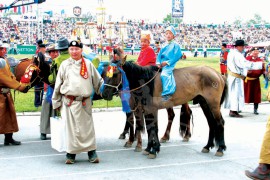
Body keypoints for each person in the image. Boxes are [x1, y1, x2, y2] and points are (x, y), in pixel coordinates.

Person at [52, 40, 104, 164]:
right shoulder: (64, 65)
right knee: (71, 130)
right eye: (71, 49)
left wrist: (106, 90)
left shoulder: (88, 64)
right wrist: (56, 102)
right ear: (69, 50)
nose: (74, 52)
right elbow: (58, 85)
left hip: (84, 102)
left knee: (87, 129)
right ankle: (70, 154)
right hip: (69, 102)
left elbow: (98, 81)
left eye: (76, 49)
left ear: (81, 50)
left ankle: (92, 152)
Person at [224, 40, 264, 118]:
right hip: (236, 78)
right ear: (238, 46)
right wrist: (260, 64)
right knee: (236, 95)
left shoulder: (231, 53)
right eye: (242, 46)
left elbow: (238, 65)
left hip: (233, 76)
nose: (243, 48)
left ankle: (233, 110)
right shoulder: (238, 55)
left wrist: (245, 70)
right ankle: (233, 111)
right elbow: (244, 64)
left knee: (233, 94)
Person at [0, 41, 27, 145]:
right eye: (1, 49)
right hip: (1, 93)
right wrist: (19, 86)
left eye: (4, 49)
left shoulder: (4, 60)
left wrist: (16, 81)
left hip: (6, 93)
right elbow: (4, 78)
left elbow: (10, 75)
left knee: (10, 116)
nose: (4, 51)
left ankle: (8, 138)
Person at [156, 26, 182, 102]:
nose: (168, 35)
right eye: (166, 33)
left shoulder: (176, 45)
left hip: (169, 64)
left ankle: (167, 94)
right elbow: (159, 55)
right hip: (161, 64)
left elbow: (177, 55)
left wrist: (167, 62)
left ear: (173, 35)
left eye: (170, 33)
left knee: (164, 75)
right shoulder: (164, 45)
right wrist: (158, 63)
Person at [40, 44, 59, 140]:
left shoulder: (61, 62)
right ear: (50, 53)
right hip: (49, 89)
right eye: (53, 52)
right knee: (46, 109)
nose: (55, 54)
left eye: (56, 52)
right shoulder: (47, 63)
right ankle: (43, 131)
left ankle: (57, 130)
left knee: (58, 111)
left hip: (59, 88)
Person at [244, 47, 265, 115]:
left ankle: (255, 109)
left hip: (256, 81)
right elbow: (242, 68)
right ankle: (238, 108)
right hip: (247, 81)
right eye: (254, 51)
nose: (256, 53)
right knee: (243, 95)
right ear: (251, 52)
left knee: (256, 95)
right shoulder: (247, 59)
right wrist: (246, 72)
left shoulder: (260, 60)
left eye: (257, 51)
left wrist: (266, 75)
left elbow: (263, 70)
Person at [34, 43, 46, 107]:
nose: (45, 49)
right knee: (38, 90)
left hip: (39, 75)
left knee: (40, 90)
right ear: (41, 48)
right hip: (39, 75)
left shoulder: (40, 55)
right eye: (44, 48)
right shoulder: (39, 55)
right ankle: (37, 103)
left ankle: (38, 103)